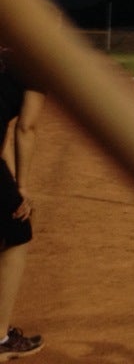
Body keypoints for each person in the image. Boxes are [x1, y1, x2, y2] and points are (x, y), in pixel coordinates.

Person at [0, 47, 45, 359]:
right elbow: (25, 127)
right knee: (17, 234)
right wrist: (23, 187)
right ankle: (0, 338)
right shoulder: (34, 64)